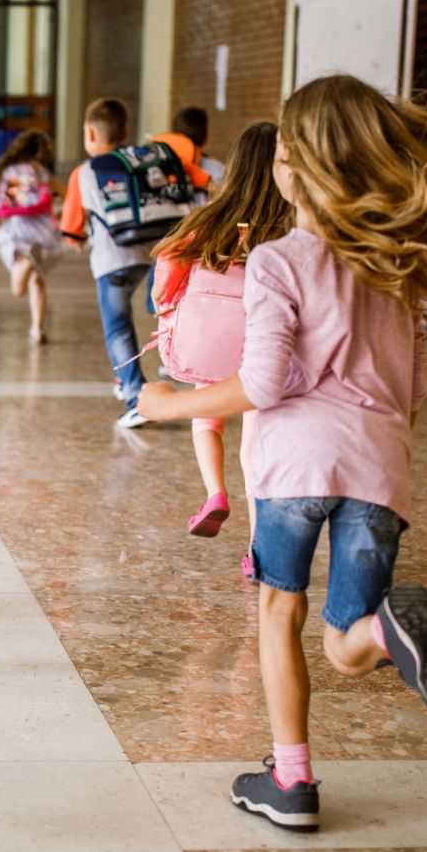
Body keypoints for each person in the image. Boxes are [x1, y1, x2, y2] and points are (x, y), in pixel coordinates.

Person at [133, 74, 427, 831]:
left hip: (294, 467)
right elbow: (413, 392)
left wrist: (171, 405)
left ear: (293, 164)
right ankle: (385, 632)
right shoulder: (402, 269)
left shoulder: (278, 260)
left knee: (278, 610)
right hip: (379, 469)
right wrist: (385, 464)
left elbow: (261, 383)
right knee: (344, 643)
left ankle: (292, 781)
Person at [150, 123, 292, 558]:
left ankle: (215, 494)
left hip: (212, 342)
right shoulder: (288, 226)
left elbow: (164, 279)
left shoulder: (208, 221)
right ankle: (257, 547)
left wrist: (167, 306)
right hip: (264, 349)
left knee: (206, 421)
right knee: (254, 447)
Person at [59, 98, 168, 428]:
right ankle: (125, 380)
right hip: (149, 254)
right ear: (124, 131)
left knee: (118, 329)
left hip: (113, 260)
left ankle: (136, 398)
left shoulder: (85, 171)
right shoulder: (139, 159)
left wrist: (75, 240)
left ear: (90, 133)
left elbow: (72, 226)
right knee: (135, 318)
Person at [0, 129, 62, 344]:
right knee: (38, 280)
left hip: (17, 231)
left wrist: (0, 231)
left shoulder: (10, 172)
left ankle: (26, 259)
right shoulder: (43, 173)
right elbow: (68, 195)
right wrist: (59, 214)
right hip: (42, 232)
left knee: (18, 289)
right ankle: (37, 329)